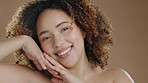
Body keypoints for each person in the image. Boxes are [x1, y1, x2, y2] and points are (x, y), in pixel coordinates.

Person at [0, 0, 134, 83]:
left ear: (83, 29)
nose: (58, 43)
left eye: (64, 29)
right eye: (46, 37)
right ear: (39, 45)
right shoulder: (33, 79)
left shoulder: (115, 78)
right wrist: (22, 41)